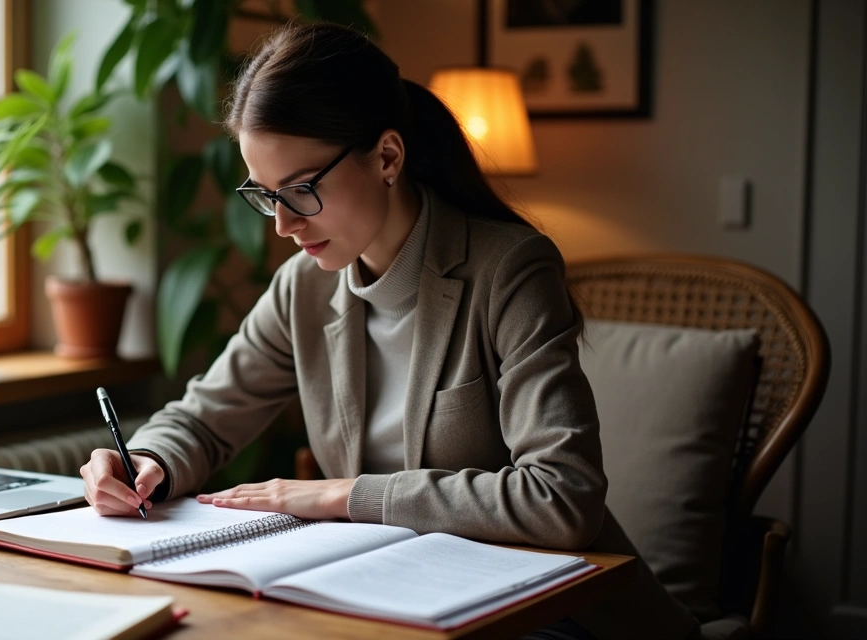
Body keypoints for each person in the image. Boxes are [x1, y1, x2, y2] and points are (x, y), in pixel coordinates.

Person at [80, 22, 698, 640]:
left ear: (387, 158)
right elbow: (205, 417)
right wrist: (147, 459)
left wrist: (344, 497)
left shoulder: (510, 270)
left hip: (550, 609)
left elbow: (561, 497)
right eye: (267, 196)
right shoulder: (305, 287)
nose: (284, 226)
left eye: (301, 190)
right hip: (391, 601)